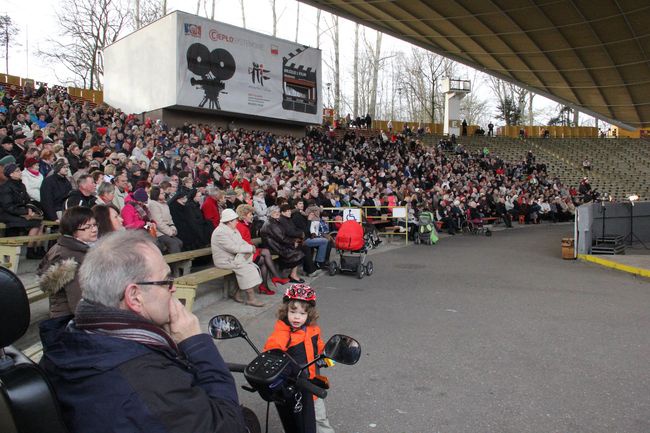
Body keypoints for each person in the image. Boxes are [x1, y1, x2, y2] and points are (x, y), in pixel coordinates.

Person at [39, 230, 247, 433]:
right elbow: (227, 425)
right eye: (166, 281)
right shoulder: (148, 381)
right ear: (135, 296)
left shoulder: (68, 339)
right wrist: (196, 343)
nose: (173, 288)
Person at [264, 284, 334, 433]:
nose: (297, 317)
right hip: (295, 387)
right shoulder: (282, 334)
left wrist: (327, 356)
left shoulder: (313, 330)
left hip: (313, 384)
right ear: (285, 311)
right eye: (293, 311)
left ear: (309, 315)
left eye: (302, 314)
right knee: (296, 421)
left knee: (320, 419)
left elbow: (320, 347)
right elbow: (270, 355)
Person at [37, 206, 98, 318]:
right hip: (67, 318)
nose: (94, 229)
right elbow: (78, 303)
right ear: (73, 230)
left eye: (94, 225)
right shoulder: (70, 257)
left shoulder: (72, 247)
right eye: (87, 227)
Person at [211, 208, 265, 307]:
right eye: (235, 219)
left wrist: (250, 248)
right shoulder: (220, 232)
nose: (237, 221)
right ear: (229, 221)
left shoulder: (232, 229)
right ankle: (251, 298)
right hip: (224, 260)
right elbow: (233, 248)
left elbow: (241, 242)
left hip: (233, 257)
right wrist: (250, 248)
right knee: (246, 268)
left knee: (249, 266)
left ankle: (236, 293)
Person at [235, 204, 289, 295]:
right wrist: (253, 248)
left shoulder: (244, 225)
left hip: (249, 251)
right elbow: (242, 244)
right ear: (243, 215)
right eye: (250, 214)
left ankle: (265, 285)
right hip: (244, 254)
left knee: (265, 257)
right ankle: (273, 279)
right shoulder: (240, 226)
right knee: (265, 255)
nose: (252, 216)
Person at [0, 162, 45, 258]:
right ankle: (30, 250)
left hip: (19, 212)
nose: (20, 172)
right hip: (7, 214)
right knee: (36, 222)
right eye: (17, 171)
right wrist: (25, 212)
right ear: (11, 174)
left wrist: (30, 209)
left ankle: (38, 248)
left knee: (40, 222)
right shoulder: (5, 187)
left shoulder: (21, 185)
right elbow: (8, 206)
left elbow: (27, 201)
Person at [260, 206, 305, 283]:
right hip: (273, 247)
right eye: (274, 212)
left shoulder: (274, 221)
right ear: (270, 214)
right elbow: (281, 238)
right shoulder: (271, 223)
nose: (277, 213)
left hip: (276, 245)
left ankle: (293, 275)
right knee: (297, 252)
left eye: (278, 212)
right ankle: (293, 275)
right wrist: (293, 242)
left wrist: (294, 241)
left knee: (300, 248)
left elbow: (282, 236)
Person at [148, 186, 183, 254]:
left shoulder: (165, 204)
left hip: (167, 230)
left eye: (164, 193)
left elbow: (170, 219)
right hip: (158, 232)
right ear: (156, 194)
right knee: (174, 244)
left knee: (180, 242)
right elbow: (158, 223)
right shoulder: (153, 204)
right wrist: (170, 232)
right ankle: (175, 263)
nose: (164, 194)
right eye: (162, 193)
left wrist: (173, 228)